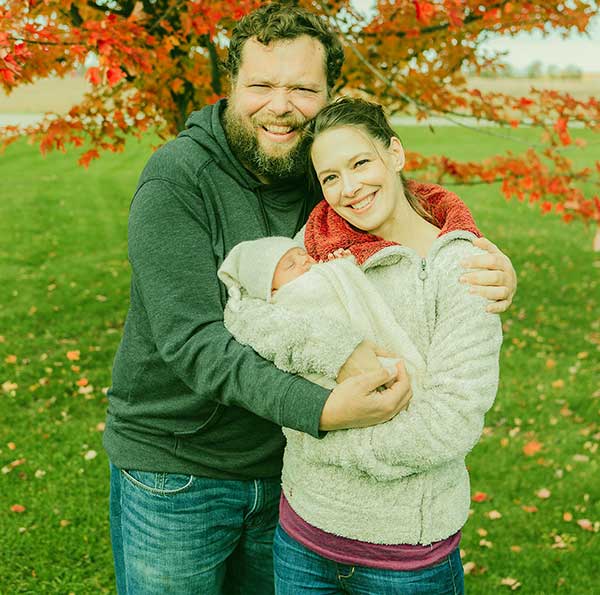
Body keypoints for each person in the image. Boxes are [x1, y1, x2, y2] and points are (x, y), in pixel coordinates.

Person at [104, 4, 517, 594]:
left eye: (302, 88)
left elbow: (407, 205)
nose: (281, 105)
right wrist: (324, 414)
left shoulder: (316, 167)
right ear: (230, 87)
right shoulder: (177, 179)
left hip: (288, 476)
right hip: (177, 468)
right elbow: (194, 341)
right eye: (262, 85)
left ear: (327, 96)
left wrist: (486, 258)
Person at [260, 96, 503, 594]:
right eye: (330, 177)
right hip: (302, 536)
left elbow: (451, 421)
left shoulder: (462, 268)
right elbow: (258, 321)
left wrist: (325, 431)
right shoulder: (314, 244)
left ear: (395, 153)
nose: (349, 189)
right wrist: (331, 384)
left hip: (404, 558)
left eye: (360, 163)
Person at [217, 236, 412, 384]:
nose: (303, 261)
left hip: (369, 344)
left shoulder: (321, 270)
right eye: (290, 264)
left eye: (302, 254)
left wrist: (343, 266)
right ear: (271, 290)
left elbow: (349, 290)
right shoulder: (279, 304)